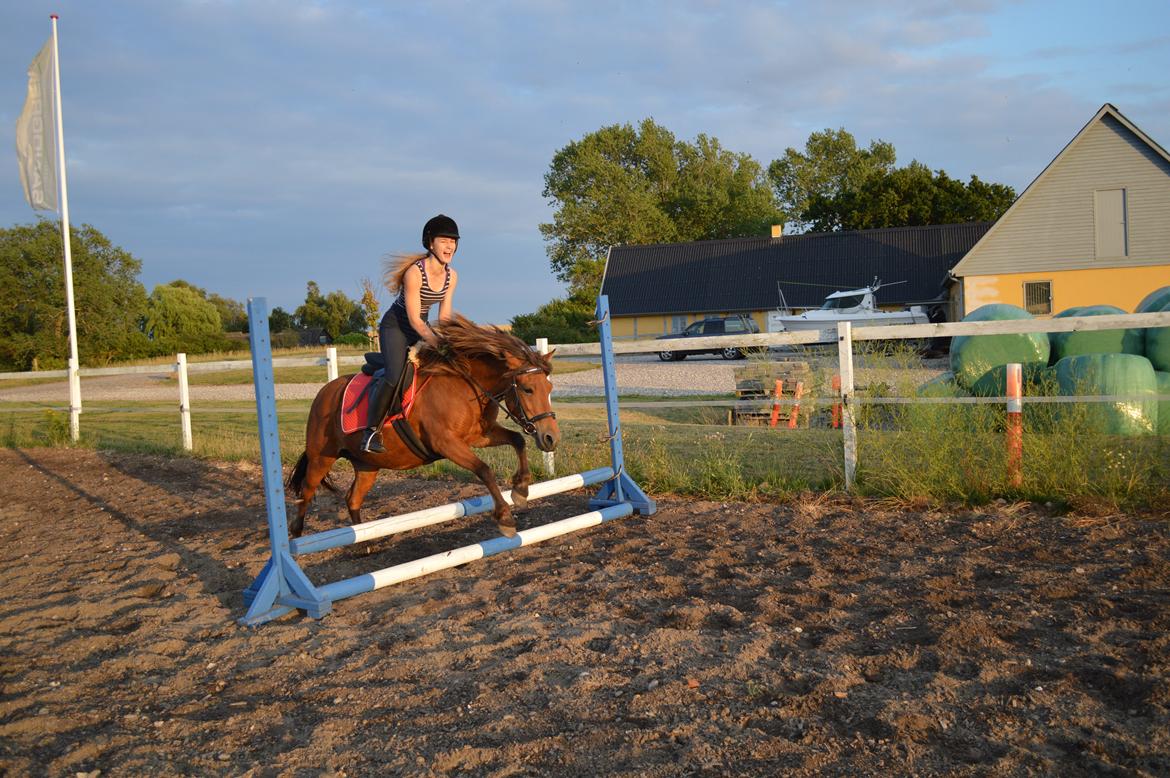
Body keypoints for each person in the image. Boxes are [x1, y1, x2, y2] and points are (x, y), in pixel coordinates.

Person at [360, 214, 460, 453]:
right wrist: (435, 340)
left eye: (453, 241)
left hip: (421, 327)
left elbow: (444, 317)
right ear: (430, 243)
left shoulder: (452, 276)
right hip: (397, 326)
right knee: (394, 376)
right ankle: (370, 432)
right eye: (444, 240)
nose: (450, 246)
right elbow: (415, 320)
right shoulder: (414, 273)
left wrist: (449, 341)